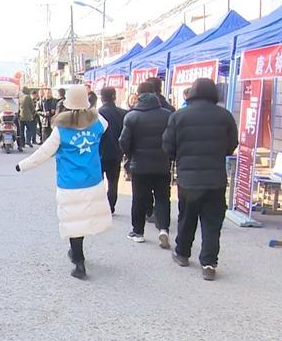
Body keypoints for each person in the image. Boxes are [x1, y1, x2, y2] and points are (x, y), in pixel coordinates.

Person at [16, 86, 112, 279]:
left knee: (73, 222)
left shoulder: (60, 130)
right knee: (84, 219)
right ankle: (77, 255)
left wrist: (22, 165)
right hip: (93, 182)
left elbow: (43, 153)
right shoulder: (98, 122)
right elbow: (105, 124)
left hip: (69, 184)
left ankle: (79, 261)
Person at [162, 78, 238, 281]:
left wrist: (180, 157)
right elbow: (232, 144)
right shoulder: (225, 116)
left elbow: (168, 146)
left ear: (193, 93)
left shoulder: (179, 116)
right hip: (215, 178)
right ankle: (209, 263)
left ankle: (182, 253)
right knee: (212, 223)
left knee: (187, 217)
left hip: (188, 178)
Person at [120, 82, 173, 248]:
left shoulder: (132, 116)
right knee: (163, 198)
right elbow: (173, 139)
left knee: (139, 198)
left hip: (139, 165)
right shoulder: (167, 115)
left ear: (138, 97)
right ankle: (163, 229)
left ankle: (138, 232)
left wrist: (130, 155)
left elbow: (124, 141)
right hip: (162, 164)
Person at [96, 87, 126, 214]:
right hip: (116, 152)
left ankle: (99, 206)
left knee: (98, 182)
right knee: (113, 182)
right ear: (114, 96)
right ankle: (111, 206)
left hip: (100, 153)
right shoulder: (123, 113)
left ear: (102, 98)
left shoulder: (97, 114)